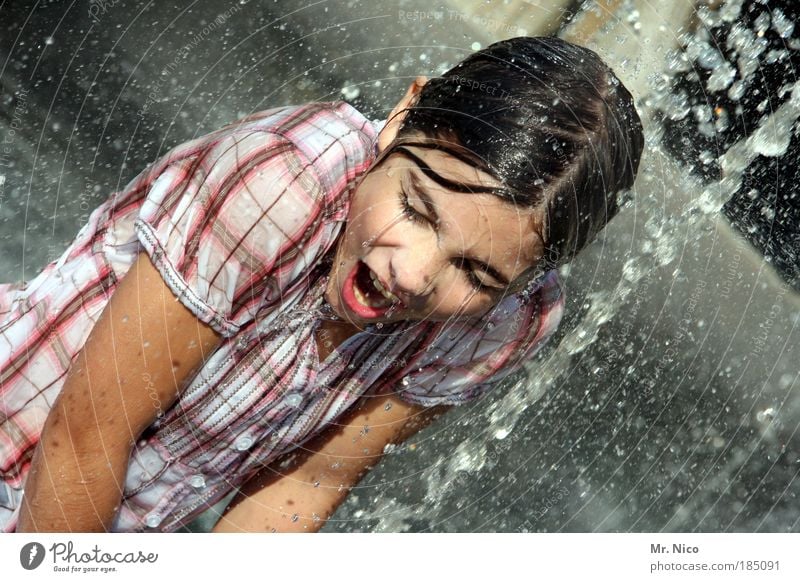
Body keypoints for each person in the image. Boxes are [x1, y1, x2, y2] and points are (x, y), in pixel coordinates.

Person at [0, 36, 643, 533]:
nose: (412, 273)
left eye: (477, 273)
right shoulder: (283, 181)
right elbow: (87, 436)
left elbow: (299, 493)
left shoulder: (503, 324)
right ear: (401, 115)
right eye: (417, 210)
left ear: (526, 280)